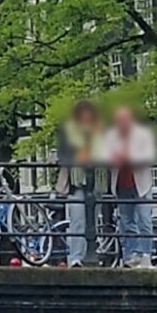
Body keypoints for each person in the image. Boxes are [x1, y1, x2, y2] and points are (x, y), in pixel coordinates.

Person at [100, 105, 157, 269]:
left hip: (141, 183)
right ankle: (131, 255)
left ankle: (146, 256)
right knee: (127, 221)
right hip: (122, 184)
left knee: (144, 219)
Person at [56, 101, 100, 268]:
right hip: (76, 182)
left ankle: (90, 254)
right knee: (77, 220)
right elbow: (64, 154)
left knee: (92, 221)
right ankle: (75, 258)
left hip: (95, 182)